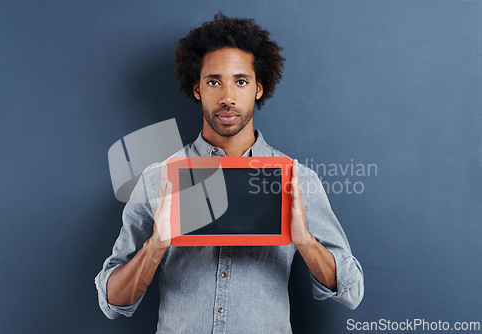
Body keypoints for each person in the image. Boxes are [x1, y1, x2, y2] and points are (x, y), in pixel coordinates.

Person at [95, 12, 364, 333]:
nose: (227, 97)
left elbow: (351, 293)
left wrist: (304, 240)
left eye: (240, 81)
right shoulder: (158, 178)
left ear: (259, 88)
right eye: (213, 81)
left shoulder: (297, 179)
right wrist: (156, 245)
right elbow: (112, 302)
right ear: (196, 89)